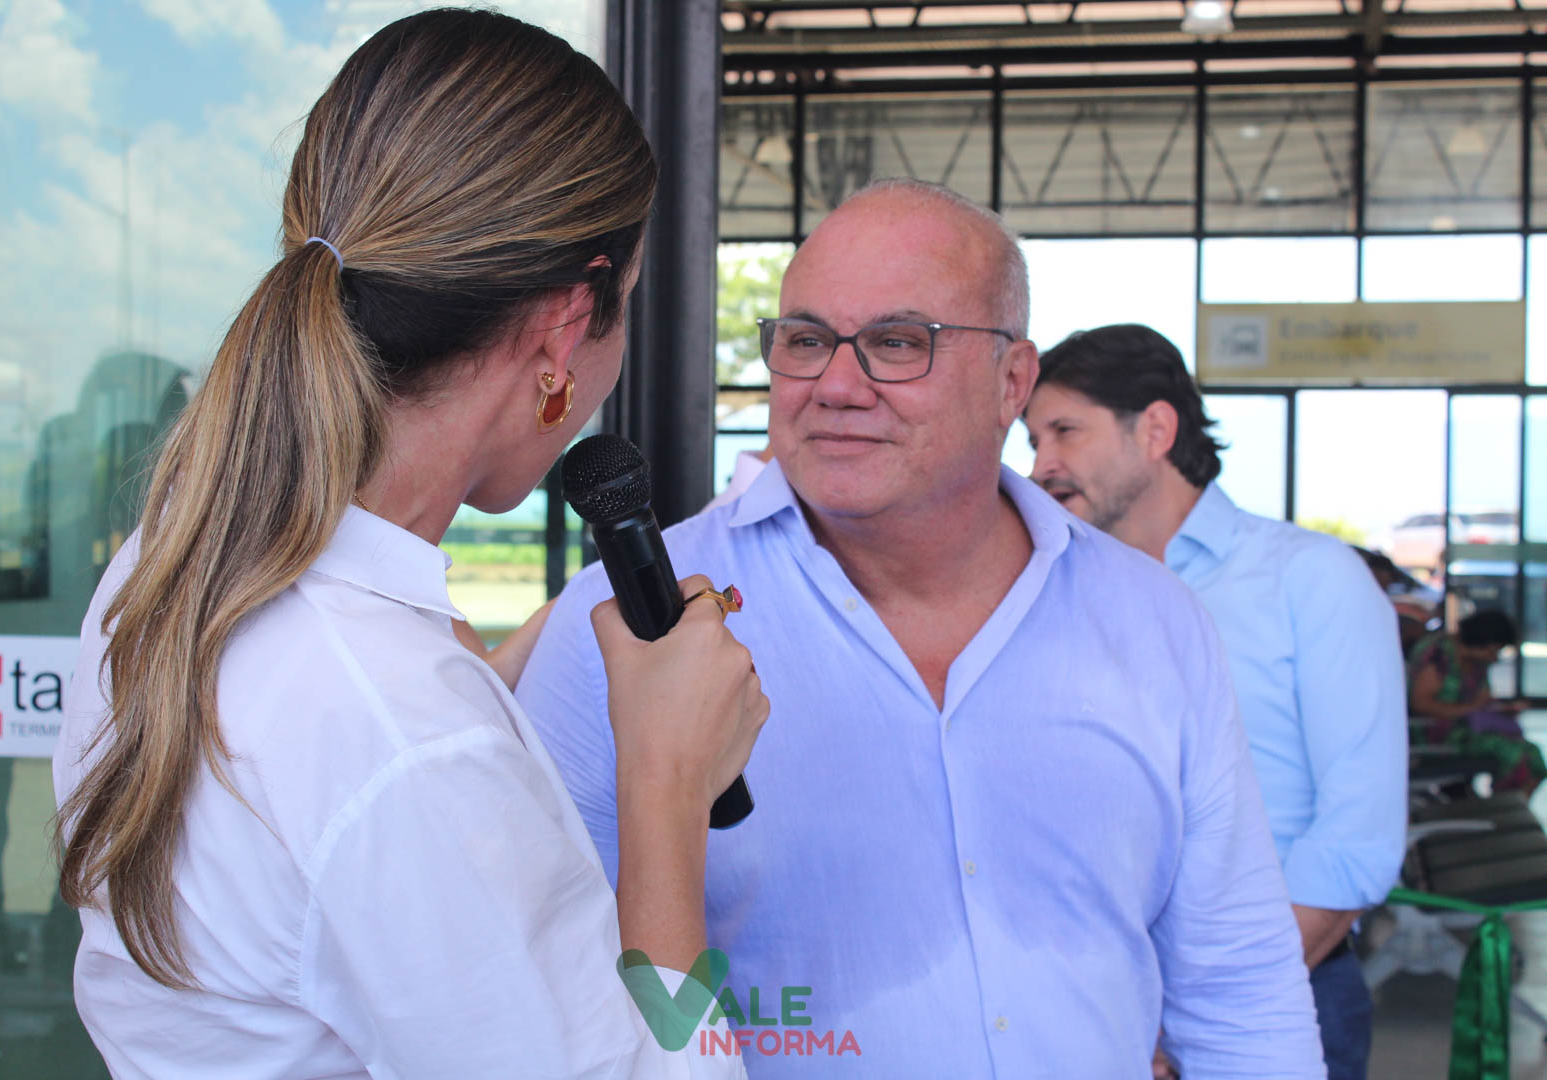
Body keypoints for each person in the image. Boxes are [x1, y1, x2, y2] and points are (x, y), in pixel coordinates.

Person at [51, 11, 767, 1077]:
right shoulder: (407, 739)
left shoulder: (176, 566)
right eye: (624, 308)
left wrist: (488, 674)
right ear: (565, 329)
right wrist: (668, 781)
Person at [520, 179, 1324, 1078]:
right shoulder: (626, 635)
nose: (836, 386)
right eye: (806, 341)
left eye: (898, 343)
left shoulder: (1153, 621)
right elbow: (543, 984)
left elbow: (1240, 991)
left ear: (1012, 381)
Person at [1024, 323, 1406, 1080]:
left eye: (1065, 431)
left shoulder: (1309, 578)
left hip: (1276, 998)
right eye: (1033, 440)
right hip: (1099, 1008)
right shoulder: (1057, 595)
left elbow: (1355, 839)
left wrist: (1187, 1018)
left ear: (1155, 429)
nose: (1041, 466)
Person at [1407, 609, 1540, 794]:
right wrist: (1470, 708)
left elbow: (1481, 702)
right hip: (1436, 735)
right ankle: (1503, 805)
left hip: (1468, 730)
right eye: (1494, 650)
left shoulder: (1477, 663)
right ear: (1482, 642)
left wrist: (1502, 710)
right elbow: (1420, 704)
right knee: (1517, 755)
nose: (1494, 657)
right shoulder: (1439, 654)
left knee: (1533, 755)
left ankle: (1508, 805)